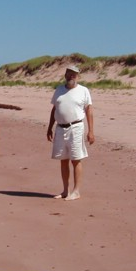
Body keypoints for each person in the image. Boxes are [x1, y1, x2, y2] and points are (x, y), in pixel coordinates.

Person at [47, 65, 95, 201]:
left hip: (76, 127)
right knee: (63, 160)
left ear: (78, 76)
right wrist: (49, 127)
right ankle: (65, 190)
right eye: (69, 74)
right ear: (65, 75)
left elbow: (89, 110)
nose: (71, 76)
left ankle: (76, 191)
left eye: (74, 74)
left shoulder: (83, 91)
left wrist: (91, 131)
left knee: (76, 159)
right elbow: (54, 109)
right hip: (60, 128)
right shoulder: (59, 90)